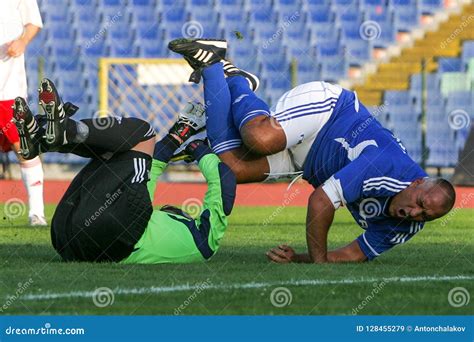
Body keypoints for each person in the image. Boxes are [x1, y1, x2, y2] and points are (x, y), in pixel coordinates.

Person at [167, 38, 456, 263]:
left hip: (307, 161)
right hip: (327, 114)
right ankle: (239, 80)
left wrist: (300, 259)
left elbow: (354, 255)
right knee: (260, 137)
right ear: (416, 183)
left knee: (229, 168)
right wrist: (319, 263)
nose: (414, 213)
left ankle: (214, 67)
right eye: (419, 203)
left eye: (424, 216)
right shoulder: (387, 167)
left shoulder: (405, 226)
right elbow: (320, 201)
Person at [13, 78, 236, 263]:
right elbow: (150, 166)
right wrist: (180, 134)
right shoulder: (156, 224)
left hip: (110, 235)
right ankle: (44, 139)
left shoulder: (205, 243)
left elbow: (224, 181)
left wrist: (201, 150)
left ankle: (63, 134)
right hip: (66, 239)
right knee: (119, 150)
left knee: (142, 132)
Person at [0, 0, 46, 225]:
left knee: (23, 147)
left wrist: (22, 41)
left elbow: (33, 23)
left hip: (8, 88)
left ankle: (36, 213)